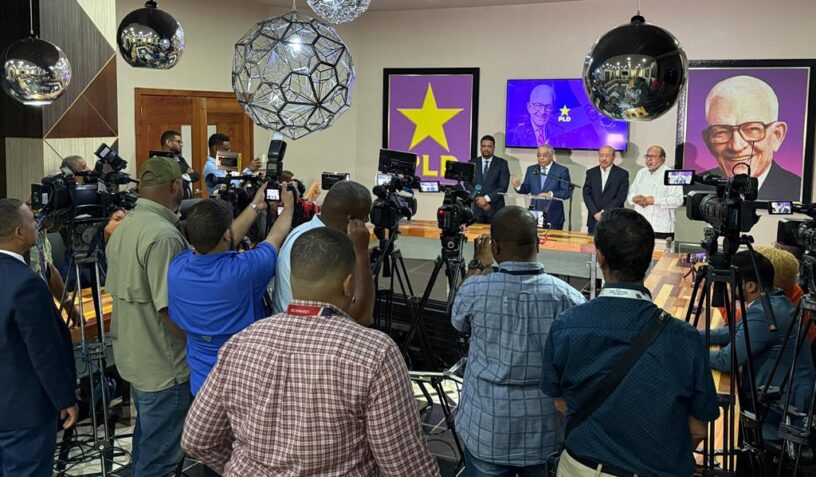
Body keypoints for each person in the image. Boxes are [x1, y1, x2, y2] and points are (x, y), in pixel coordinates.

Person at [182, 227, 440, 476]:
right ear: (349, 284)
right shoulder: (373, 353)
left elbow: (197, 438)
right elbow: (405, 466)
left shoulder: (241, 342)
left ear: (291, 278)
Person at [542, 208, 720, 477]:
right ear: (649, 259)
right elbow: (698, 430)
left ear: (600, 257)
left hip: (582, 467)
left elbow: (560, 403)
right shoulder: (686, 338)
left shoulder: (566, 326)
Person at [452, 206, 585, 475]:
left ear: (496, 248)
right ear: (538, 244)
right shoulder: (569, 298)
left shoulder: (473, 290)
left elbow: (457, 321)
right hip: (544, 433)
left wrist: (478, 264)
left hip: (486, 430)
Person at [106, 156, 191, 476]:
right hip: (164, 366)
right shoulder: (164, 236)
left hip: (136, 359)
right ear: (175, 186)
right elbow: (168, 308)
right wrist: (200, 344)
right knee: (159, 461)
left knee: (146, 448)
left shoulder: (124, 227)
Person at [168, 182, 295, 396]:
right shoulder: (244, 271)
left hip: (201, 385)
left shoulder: (177, 267)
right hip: (242, 384)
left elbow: (218, 240)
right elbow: (274, 238)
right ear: (227, 234)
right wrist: (289, 207)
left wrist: (256, 205)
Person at [0, 198, 78, 476]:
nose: (38, 225)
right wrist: (64, 399)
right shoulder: (26, 283)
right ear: (19, 232)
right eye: (33, 221)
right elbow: (44, 352)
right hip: (24, 412)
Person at [707, 250, 815, 441]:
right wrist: (686, 334)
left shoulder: (765, 312)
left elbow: (726, 360)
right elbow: (731, 332)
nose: (729, 287)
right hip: (780, 396)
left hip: (780, 410)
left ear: (750, 286)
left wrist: (689, 350)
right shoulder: (773, 299)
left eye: (732, 282)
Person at [271, 180, 374, 325]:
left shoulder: (305, 231)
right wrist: (361, 252)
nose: (367, 221)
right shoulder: (321, 247)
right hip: (305, 331)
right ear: (349, 220)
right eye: (365, 217)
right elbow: (360, 318)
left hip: (290, 324)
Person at [700, 75, 800, 200]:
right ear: (708, 141)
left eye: (752, 129)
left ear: (777, 135)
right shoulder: (695, 187)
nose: (736, 146)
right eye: (721, 132)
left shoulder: (796, 189)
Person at [627, 145, 684, 241]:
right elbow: (631, 193)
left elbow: (678, 200)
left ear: (662, 159)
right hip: (639, 225)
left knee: (660, 251)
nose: (649, 159)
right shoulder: (641, 172)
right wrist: (634, 198)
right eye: (647, 156)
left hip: (662, 228)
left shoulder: (672, 174)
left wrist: (654, 201)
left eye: (653, 156)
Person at [511, 145, 572, 230]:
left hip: (553, 216)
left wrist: (551, 194)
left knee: (553, 238)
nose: (541, 158)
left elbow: (566, 192)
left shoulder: (561, 170)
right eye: (539, 155)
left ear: (551, 156)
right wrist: (518, 186)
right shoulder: (531, 169)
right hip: (535, 214)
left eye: (545, 155)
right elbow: (526, 189)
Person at [582, 145, 628, 234]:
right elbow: (586, 194)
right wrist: (595, 213)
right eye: (601, 155)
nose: (604, 158)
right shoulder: (591, 173)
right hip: (594, 219)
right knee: (592, 242)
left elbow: (620, 197)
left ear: (614, 157)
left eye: (607, 156)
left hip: (613, 219)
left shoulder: (622, 174)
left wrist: (603, 212)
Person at [507, 84, 566, 148]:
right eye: (538, 105)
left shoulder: (558, 131)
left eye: (548, 107)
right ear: (529, 107)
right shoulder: (516, 134)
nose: (542, 112)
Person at [469, 135, 510, 224]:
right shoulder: (472, 163)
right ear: (480, 147)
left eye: (489, 146)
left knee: (496, 232)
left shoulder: (502, 163)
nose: (486, 149)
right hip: (477, 210)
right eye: (483, 146)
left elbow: (503, 187)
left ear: (493, 147)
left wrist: (486, 199)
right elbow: (467, 184)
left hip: (495, 209)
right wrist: (478, 199)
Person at [160, 130, 200, 199]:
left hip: (187, 200)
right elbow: (172, 184)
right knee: (200, 201)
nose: (181, 145)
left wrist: (181, 177)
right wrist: (187, 176)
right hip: (173, 202)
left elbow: (196, 175)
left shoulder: (180, 159)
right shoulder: (160, 161)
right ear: (168, 142)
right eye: (178, 142)